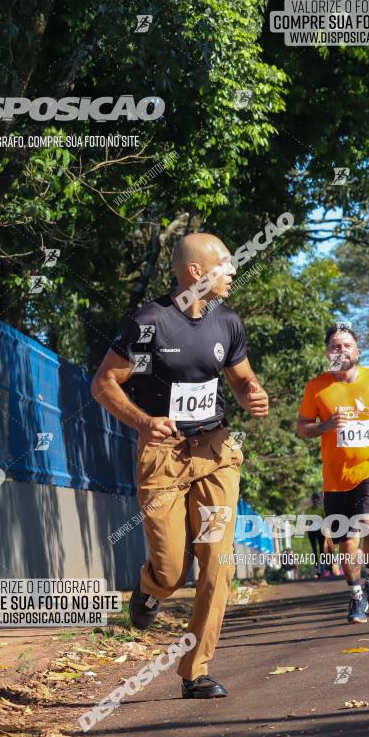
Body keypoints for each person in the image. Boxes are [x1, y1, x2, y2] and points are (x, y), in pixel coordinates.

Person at [92, 233, 269, 698]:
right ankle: (151, 587)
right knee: (172, 570)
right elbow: (105, 383)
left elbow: (240, 375)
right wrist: (143, 421)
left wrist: (251, 393)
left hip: (214, 452)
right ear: (195, 272)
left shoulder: (227, 321)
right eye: (226, 264)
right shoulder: (150, 324)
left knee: (216, 562)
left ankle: (196, 670)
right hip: (163, 456)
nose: (233, 271)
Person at [296, 322, 369, 624]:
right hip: (336, 479)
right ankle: (357, 595)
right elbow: (302, 427)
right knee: (347, 543)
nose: (340, 350)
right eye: (334, 346)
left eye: (346, 345)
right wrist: (323, 427)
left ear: (357, 350)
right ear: (327, 352)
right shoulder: (317, 387)